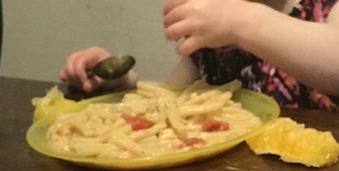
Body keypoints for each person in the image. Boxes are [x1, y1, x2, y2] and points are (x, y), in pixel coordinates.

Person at [59, 0, 339, 110]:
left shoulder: (326, 7)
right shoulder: (217, 34)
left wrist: (244, 22)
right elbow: (175, 99)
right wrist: (124, 84)